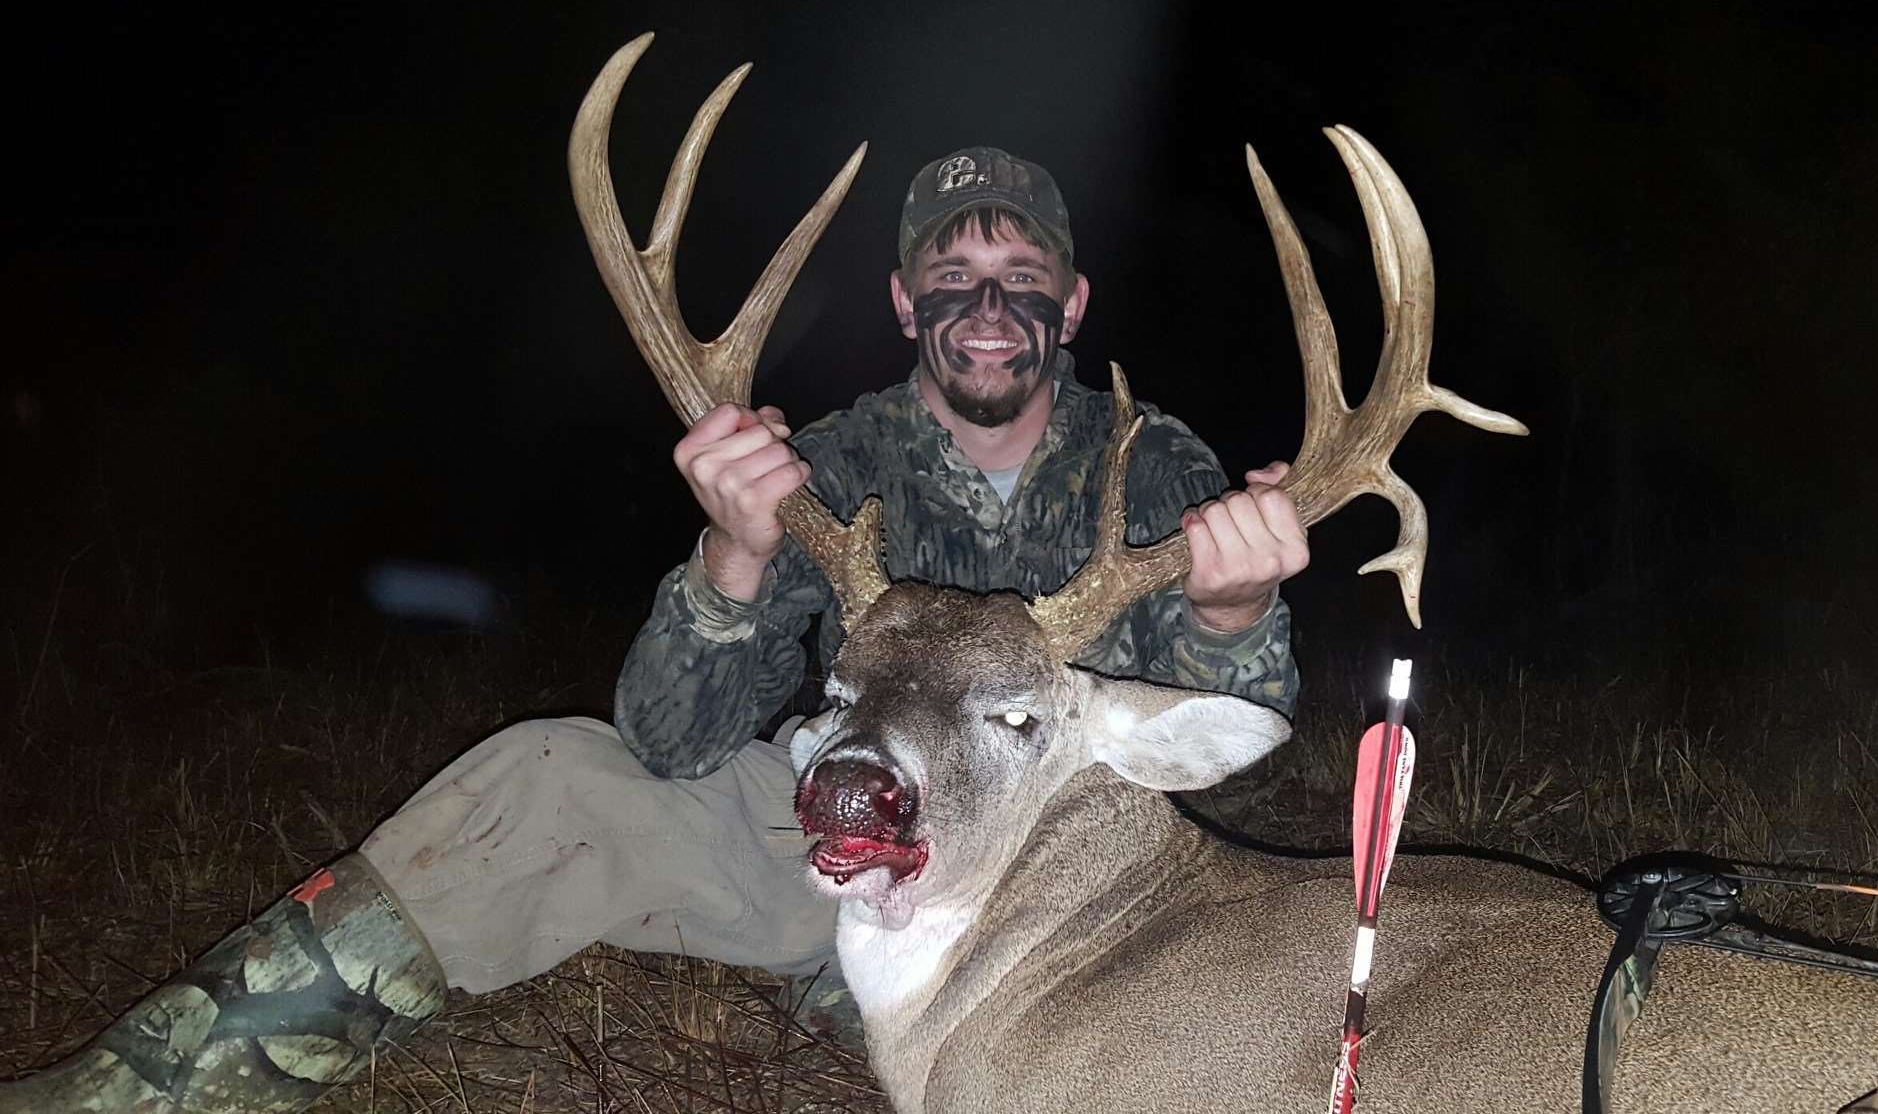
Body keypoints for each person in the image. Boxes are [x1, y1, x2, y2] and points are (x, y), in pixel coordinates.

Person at [0, 147, 1310, 1114]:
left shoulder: (1159, 471)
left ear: (1071, 306)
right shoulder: (832, 464)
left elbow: (1232, 738)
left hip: (1062, 900)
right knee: (552, 777)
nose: (988, 303)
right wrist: (733, 558)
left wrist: (1233, 609)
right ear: (905, 304)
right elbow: (669, 741)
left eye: (1023, 276)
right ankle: (130, 1094)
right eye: (952, 275)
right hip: (828, 841)